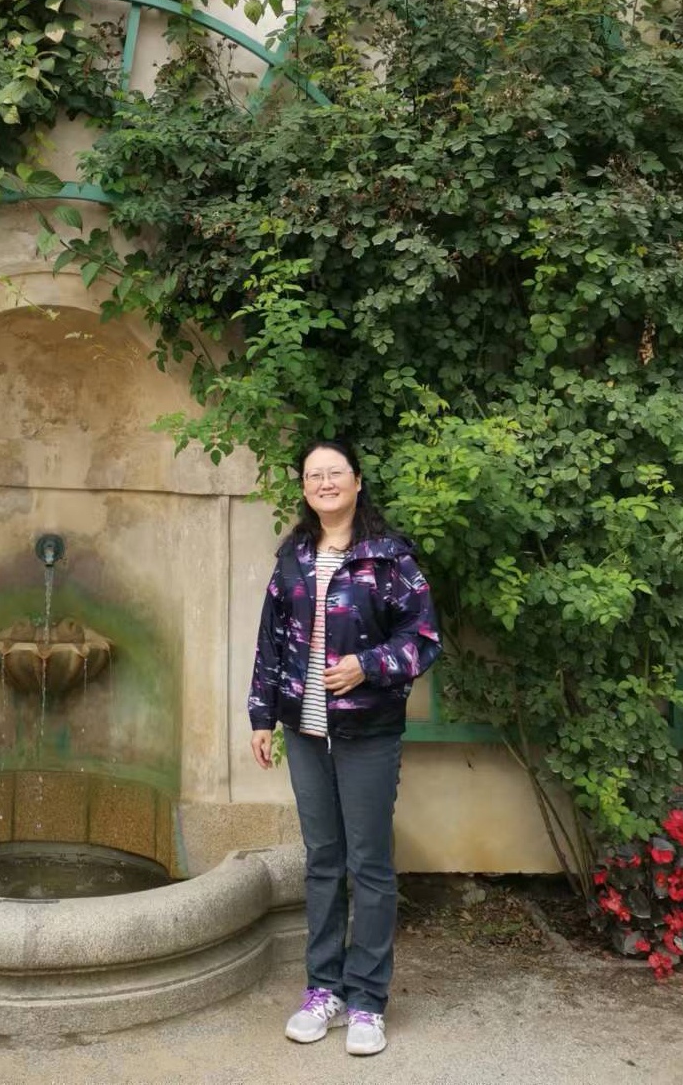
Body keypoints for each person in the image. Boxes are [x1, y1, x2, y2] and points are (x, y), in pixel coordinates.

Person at [248, 438, 442, 1057]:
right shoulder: (294, 557)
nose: (325, 482)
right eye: (314, 475)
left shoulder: (390, 556)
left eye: (335, 473)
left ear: (357, 482)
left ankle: (367, 1001)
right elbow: (271, 639)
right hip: (304, 730)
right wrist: (261, 715)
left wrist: (368, 664)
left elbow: (424, 637)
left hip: (368, 731)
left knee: (370, 865)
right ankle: (323, 990)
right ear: (304, 488)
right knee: (323, 860)